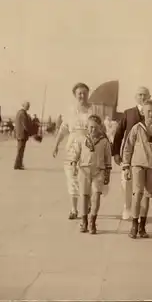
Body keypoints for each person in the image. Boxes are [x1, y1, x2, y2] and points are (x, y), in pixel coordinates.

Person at [112, 86, 152, 220]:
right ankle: (127, 207)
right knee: (127, 183)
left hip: (148, 157)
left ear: (149, 97)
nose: (142, 97)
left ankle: (140, 212)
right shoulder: (128, 113)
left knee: (143, 186)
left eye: (145, 95)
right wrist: (116, 152)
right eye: (139, 95)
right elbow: (118, 134)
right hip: (130, 154)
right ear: (135, 97)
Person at [122, 100, 152, 239]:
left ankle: (142, 226)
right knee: (137, 193)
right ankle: (134, 225)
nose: (151, 114)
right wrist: (126, 165)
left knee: (147, 196)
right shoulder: (137, 128)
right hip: (138, 164)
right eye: (148, 111)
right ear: (142, 112)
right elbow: (128, 147)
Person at [53, 82, 98, 220]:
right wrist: (55, 144)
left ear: (88, 94)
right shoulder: (70, 110)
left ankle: (88, 202)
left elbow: (101, 128)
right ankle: (73, 209)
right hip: (72, 146)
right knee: (72, 177)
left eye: (84, 93)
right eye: (79, 93)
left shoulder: (93, 110)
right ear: (75, 95)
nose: (82, 96)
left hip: (89, 147)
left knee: (88, 177)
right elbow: (63, 128)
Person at [68, 114, 112, 234]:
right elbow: (76, 152)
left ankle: (93, 220)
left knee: (96, 195)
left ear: (100, 128)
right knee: (84, 196)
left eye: (95, 127)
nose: (93, 130)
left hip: (99, 171)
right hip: (84, 171)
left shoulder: (104, 141)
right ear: (87, 127)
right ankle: (84, 221)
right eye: (90, 127)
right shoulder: (82, 139)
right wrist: (73, 163)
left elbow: (108, 158)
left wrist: (108, 173)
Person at [14, 101, 32, 170]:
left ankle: (19, 164)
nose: (28, 107)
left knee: (20, 150)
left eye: (29, 106)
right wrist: (30, 132)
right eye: (27, 106)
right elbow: (25, 125)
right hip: (22, 134)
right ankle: (17, 165)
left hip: (19, 134)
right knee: (20, 150)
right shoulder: (22, 113)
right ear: (24, 106)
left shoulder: (20, 112)